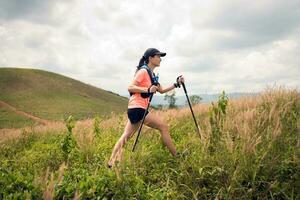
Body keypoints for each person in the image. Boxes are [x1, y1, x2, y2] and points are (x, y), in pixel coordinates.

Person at [108, 48, 184, 168]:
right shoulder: (143, 72)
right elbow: (130, 87)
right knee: (164, 127)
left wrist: (176, 84)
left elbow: (162, 90)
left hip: (135, 108)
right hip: (138, 108)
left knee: (126, 136)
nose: (160, 59)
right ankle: (177, 156)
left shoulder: (152, 75)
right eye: (158, 56)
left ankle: (111, 163)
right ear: (150, 58)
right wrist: (147, 89)